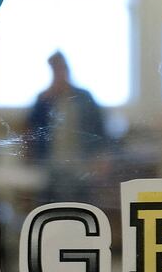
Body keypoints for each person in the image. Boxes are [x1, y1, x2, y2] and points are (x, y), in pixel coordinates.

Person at [26, 52, 108, 202]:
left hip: (81, 159)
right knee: (54, 192)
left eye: (60, 69)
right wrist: (45, 101)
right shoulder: (44, 99)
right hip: (51, 160)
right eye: (55, 70)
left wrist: (100, 158)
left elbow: (99, 129)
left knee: (76, 191)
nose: (58, 73)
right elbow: (32, 129)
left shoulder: (84, 97)